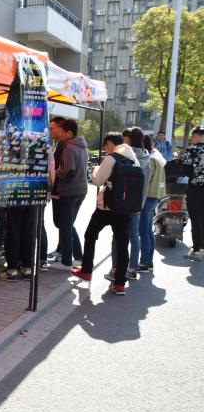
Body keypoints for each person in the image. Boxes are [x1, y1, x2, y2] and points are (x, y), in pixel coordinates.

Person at [71, 133, 137, 295]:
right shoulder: (132, 158)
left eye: (105, 147)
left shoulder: (111, 158)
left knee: (90, 235)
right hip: (125, 209)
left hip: (106, 208)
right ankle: (120, 284)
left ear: (109, 143)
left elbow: (97, 181)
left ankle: (86, 271)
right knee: (122, 245)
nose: (105, 150)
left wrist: (95, 169)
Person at [106, 127, 151, 280]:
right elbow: (146, 184)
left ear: (129, 139)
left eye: (124, 137)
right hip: (138, 204)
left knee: (118, 237)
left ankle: (115, 268)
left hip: (122, 202)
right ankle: (132, 268)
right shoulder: (147, 157)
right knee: (134, 236)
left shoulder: (126, 155)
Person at [50, 119, 88, 270]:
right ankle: (78, 257)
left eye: (62, 132)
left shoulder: (68, 148)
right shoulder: (82, 146)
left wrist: (56, 171)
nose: (60, 134)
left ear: (69, 132)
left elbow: (68, 171)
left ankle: (66, 261)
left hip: (70, 191)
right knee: (68, 224)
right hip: (81, 189)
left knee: (65, 226)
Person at [138, 134, 167, 271]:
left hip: (148, 195)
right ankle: (149, 262)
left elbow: (146, 180)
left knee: (144, 231)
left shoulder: (149, 159)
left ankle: (144, 262)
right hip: (156, 196)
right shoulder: (158, 157)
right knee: (148, 231)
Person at [45, 116, 66, 263]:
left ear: (61, 128)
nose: (49, 131)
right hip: (58, 189)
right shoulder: (58, 143)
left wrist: (55, 173)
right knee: (61, 222)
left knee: (64, 223)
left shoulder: (65, 145)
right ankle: (61, 250)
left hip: (62, 189)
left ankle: (68, 252)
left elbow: (63, 167)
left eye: (52, 128)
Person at [182, 126, 204, 260]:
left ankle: (197, 250)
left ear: (196, 136)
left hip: (195, 189)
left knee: (196, 219)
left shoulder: (191, 150)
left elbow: (186, 170)